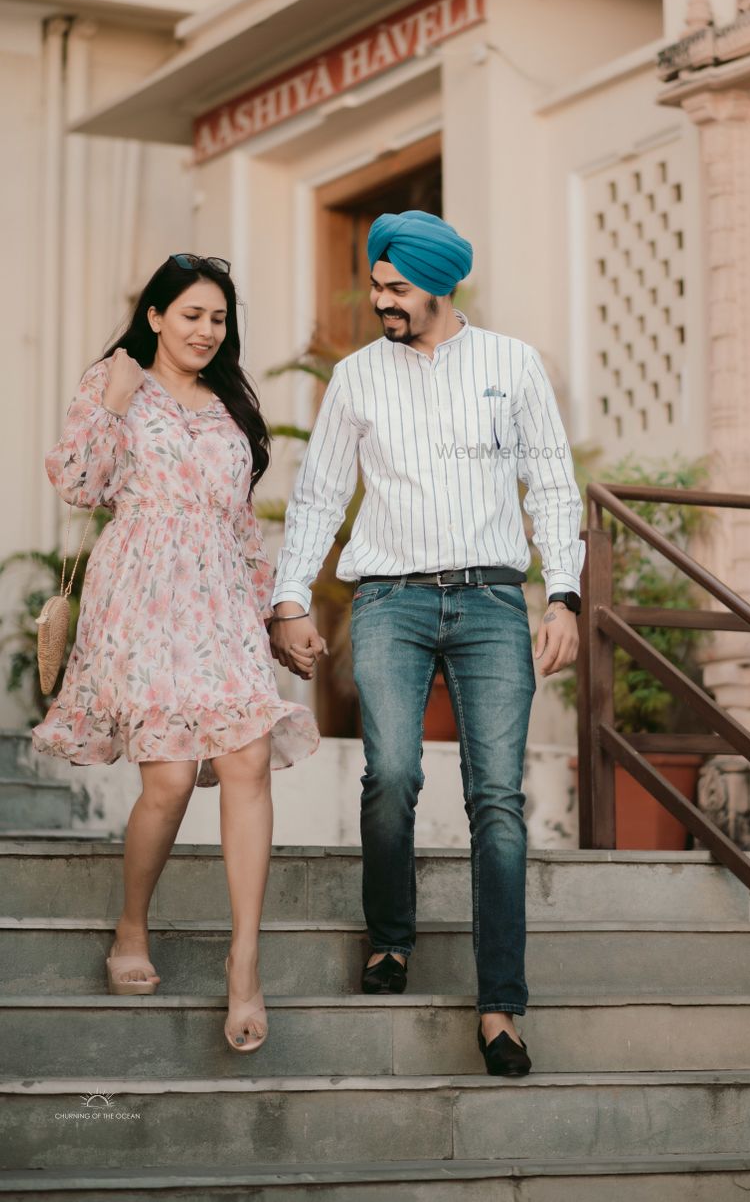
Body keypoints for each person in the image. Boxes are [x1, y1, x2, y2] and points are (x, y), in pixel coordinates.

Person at [270, 209, 584, 1077]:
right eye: (376, 285)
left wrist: (564, 594)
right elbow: (321, 494)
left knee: (497, 800)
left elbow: (554, 484)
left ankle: (501, 1005)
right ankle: (391, 938)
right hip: (389, 600)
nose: (381, 301)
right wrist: (290, 594)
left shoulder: (512, 365)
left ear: (440, 285)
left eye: (396, 287)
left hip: (489, 599)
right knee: (394, 774)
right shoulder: (357, 377)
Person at [33, 253, 320, 1053]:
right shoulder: (111, 382)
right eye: (191, 314)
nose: (205, 329)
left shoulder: (230, 405)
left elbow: (241, 524)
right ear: (155, 315)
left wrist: (276, 614)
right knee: (165, 777)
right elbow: (80, 485)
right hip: (143, 597)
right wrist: (114, 406)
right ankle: (131, 926)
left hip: (223, 600)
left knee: (248, 757)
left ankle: (245, 964)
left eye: (218, 318)